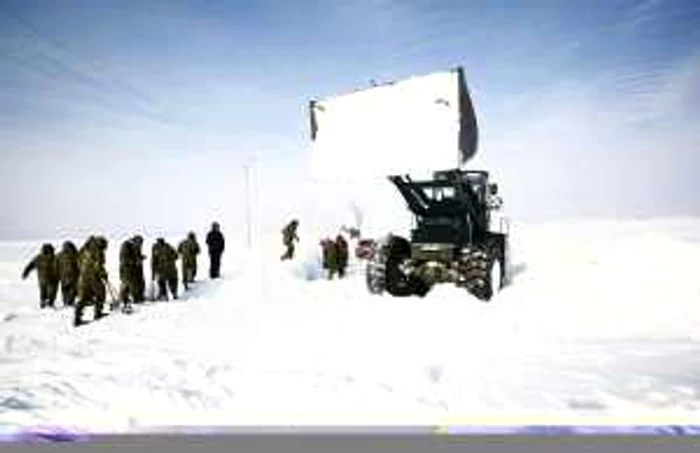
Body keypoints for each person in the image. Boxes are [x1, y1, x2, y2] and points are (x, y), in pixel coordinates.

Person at [74, 237, 109, 326]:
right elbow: (98, 265)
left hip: (82, 277)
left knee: (83, 298)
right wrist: (103, 274)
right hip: (93, 277)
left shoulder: (85, 249)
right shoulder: (98, 251)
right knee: (101, 293)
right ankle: (98, 313)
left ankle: (77, 319)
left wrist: (83, 271)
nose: (105, 249)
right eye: (104, 246)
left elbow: (78, 262)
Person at [21, 243, 59, 308]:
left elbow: (30, 265)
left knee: (48, 293)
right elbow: (31, 265)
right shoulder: (50, 258)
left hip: (48, 279)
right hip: (47, 279)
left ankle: (47, 304)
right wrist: (25, 272)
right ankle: (46, 304)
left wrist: (25, 272)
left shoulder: (42, 257)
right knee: (47, 293)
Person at [118, 236, 144, 311]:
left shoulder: (136, 246)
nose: (140, 245)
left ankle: (137, 297)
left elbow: (136, 255)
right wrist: (135, 261)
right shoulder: (126, 246)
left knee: (136, 283)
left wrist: (141, 257)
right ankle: (124, 299)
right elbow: (124, 259)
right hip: (126, 269)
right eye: (139, 243)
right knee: (127, 283)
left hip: (134, 269)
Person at [56, 241, 79, 306]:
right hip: (68, 276)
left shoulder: (75, 254)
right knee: (67, 289)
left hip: (69, 276)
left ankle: (68, 302)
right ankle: (68, 302)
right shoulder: (75, 254)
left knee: (69, 289)